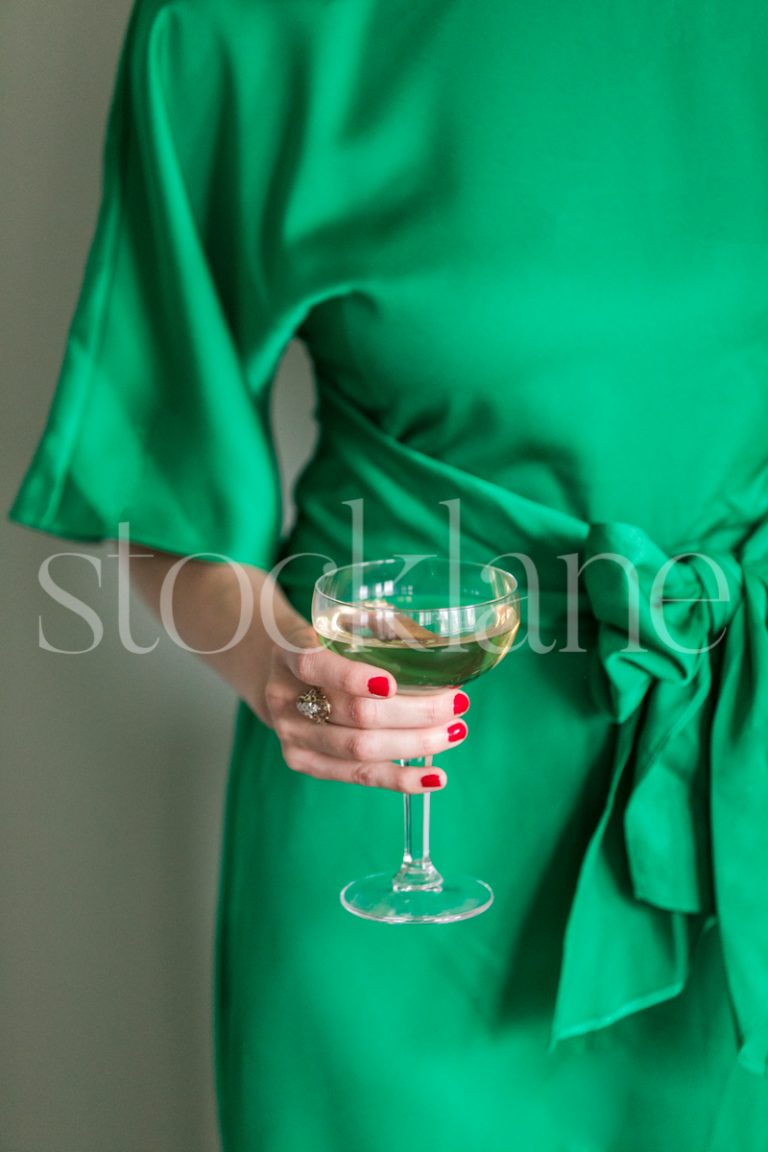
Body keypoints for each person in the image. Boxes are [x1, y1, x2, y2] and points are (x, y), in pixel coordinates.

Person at [9, 1, 768, 1149]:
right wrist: (279, 665)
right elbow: (158, 494)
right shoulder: (234, 26)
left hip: (742, 790)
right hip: (401, 825)